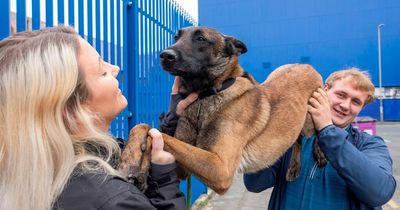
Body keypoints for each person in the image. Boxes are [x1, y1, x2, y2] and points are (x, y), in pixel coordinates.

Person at [0, 26, 194, 210]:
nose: (115, 68)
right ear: (72, 111)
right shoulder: (114, 201)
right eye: (102, 71)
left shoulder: (30, 174)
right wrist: (164, 183)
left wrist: (173, 117)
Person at [243, 68, 396, 210]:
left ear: (360, 108)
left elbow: (380, 192)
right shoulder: (293, 136)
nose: (345, 105)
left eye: (355, 102)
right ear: (324, 90)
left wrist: (327, 130)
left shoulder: (369, 144)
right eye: (340, 95)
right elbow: (255, 184)